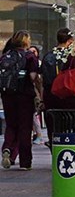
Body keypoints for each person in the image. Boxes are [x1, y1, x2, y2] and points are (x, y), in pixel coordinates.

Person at [0, 31, 43, 169]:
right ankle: (25, 162)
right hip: (24, 95)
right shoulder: (29, 56)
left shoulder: (5, 56)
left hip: (7, 95)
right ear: (26, 41)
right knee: (25, 127)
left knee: (11, 125)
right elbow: (32, 77)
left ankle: (7, 148)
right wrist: (40, 93)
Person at [41, 28, 75, 146]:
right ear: (69, 41)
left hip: (50, 94)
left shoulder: (48, 56)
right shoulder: (71, 57)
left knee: (52, 124)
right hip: (67, 94)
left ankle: (53, 148)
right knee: (67, 124)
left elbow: (43, 78)